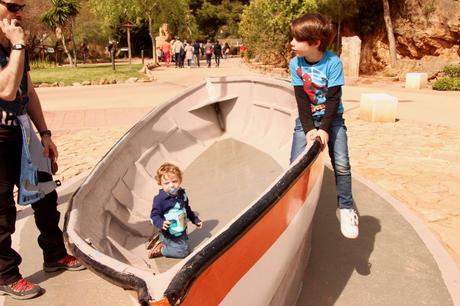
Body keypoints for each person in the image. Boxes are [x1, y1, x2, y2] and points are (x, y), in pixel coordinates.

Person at [0, 0, 85, 300]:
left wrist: (45, 134)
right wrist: (18, 45)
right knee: (2, 212)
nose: (18, 12)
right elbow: (6, 90)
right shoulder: (15, 45)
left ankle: (54, 254)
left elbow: (27, 91)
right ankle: (6, 274)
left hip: (22, 131)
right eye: (11, 5)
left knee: (46, 195)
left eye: (21, 6)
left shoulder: (13, 45)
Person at [289, 13, 359, 239]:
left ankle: (346, 208)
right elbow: (301, 99)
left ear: (315, 43)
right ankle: (294, 203)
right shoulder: (295, 64)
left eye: (297, 39)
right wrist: (310, 128)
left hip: (332, 118)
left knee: (341, 162)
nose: (292, 43)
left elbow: (332, 99)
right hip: (307, 118)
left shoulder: (332, 62)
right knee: (294, 164)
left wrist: (324, 129)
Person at [149, 163, 202, 258]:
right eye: (166, 183)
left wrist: (195, 220)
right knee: (183, 252)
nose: (171, 185)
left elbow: (187, 209)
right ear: (160, 184)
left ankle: (162, 240)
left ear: (180, 180)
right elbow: (154, 216)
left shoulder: (182, 194)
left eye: (174, 181)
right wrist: (161, 223)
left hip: (180, 228)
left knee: (183, 242)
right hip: (169, 232)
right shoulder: (160, 199)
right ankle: (161, 250)